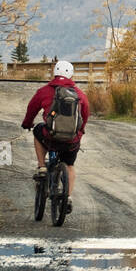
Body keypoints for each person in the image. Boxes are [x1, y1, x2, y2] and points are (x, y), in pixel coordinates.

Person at [21, 59, 90, 213]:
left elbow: (31, 110)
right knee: (70, 166)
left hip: (50, 137)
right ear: (71, 75)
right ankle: (68, 197)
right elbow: (85, 116)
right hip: (71, 140)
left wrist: (27, 124)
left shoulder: (44, 91)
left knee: (38, 130)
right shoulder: (79, 94)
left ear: (54, 73)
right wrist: (80, 131)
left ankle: (42, 167)